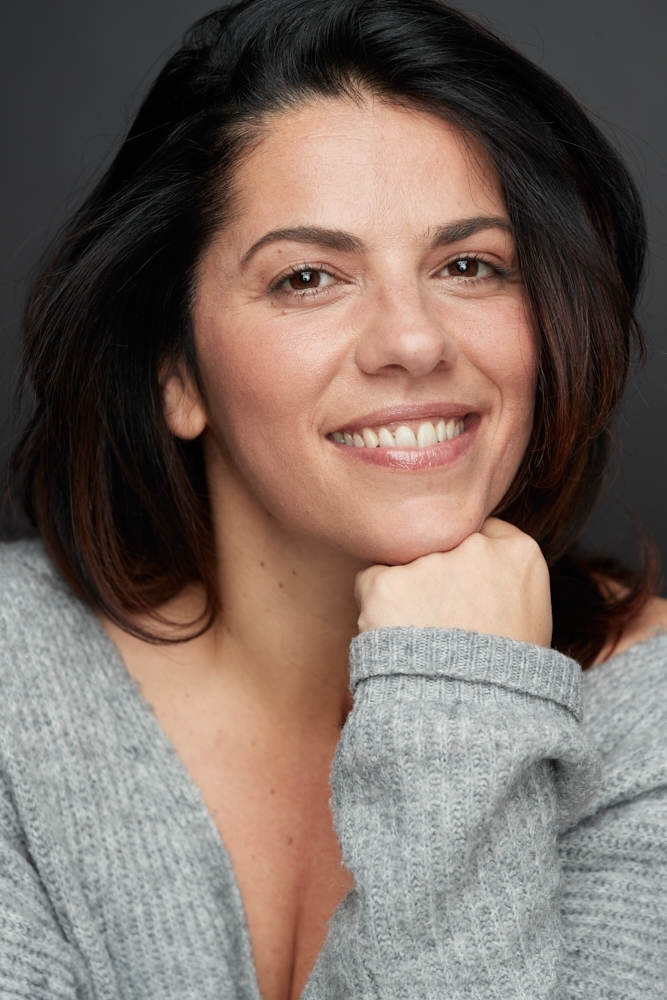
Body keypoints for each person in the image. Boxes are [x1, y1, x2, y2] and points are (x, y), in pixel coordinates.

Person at [1, 0, 666, 996]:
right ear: (175, 371)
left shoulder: (651, 721)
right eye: (308, 277)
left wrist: (457, 703)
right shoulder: (14, 683)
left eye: (468, 266)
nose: (413, 340)